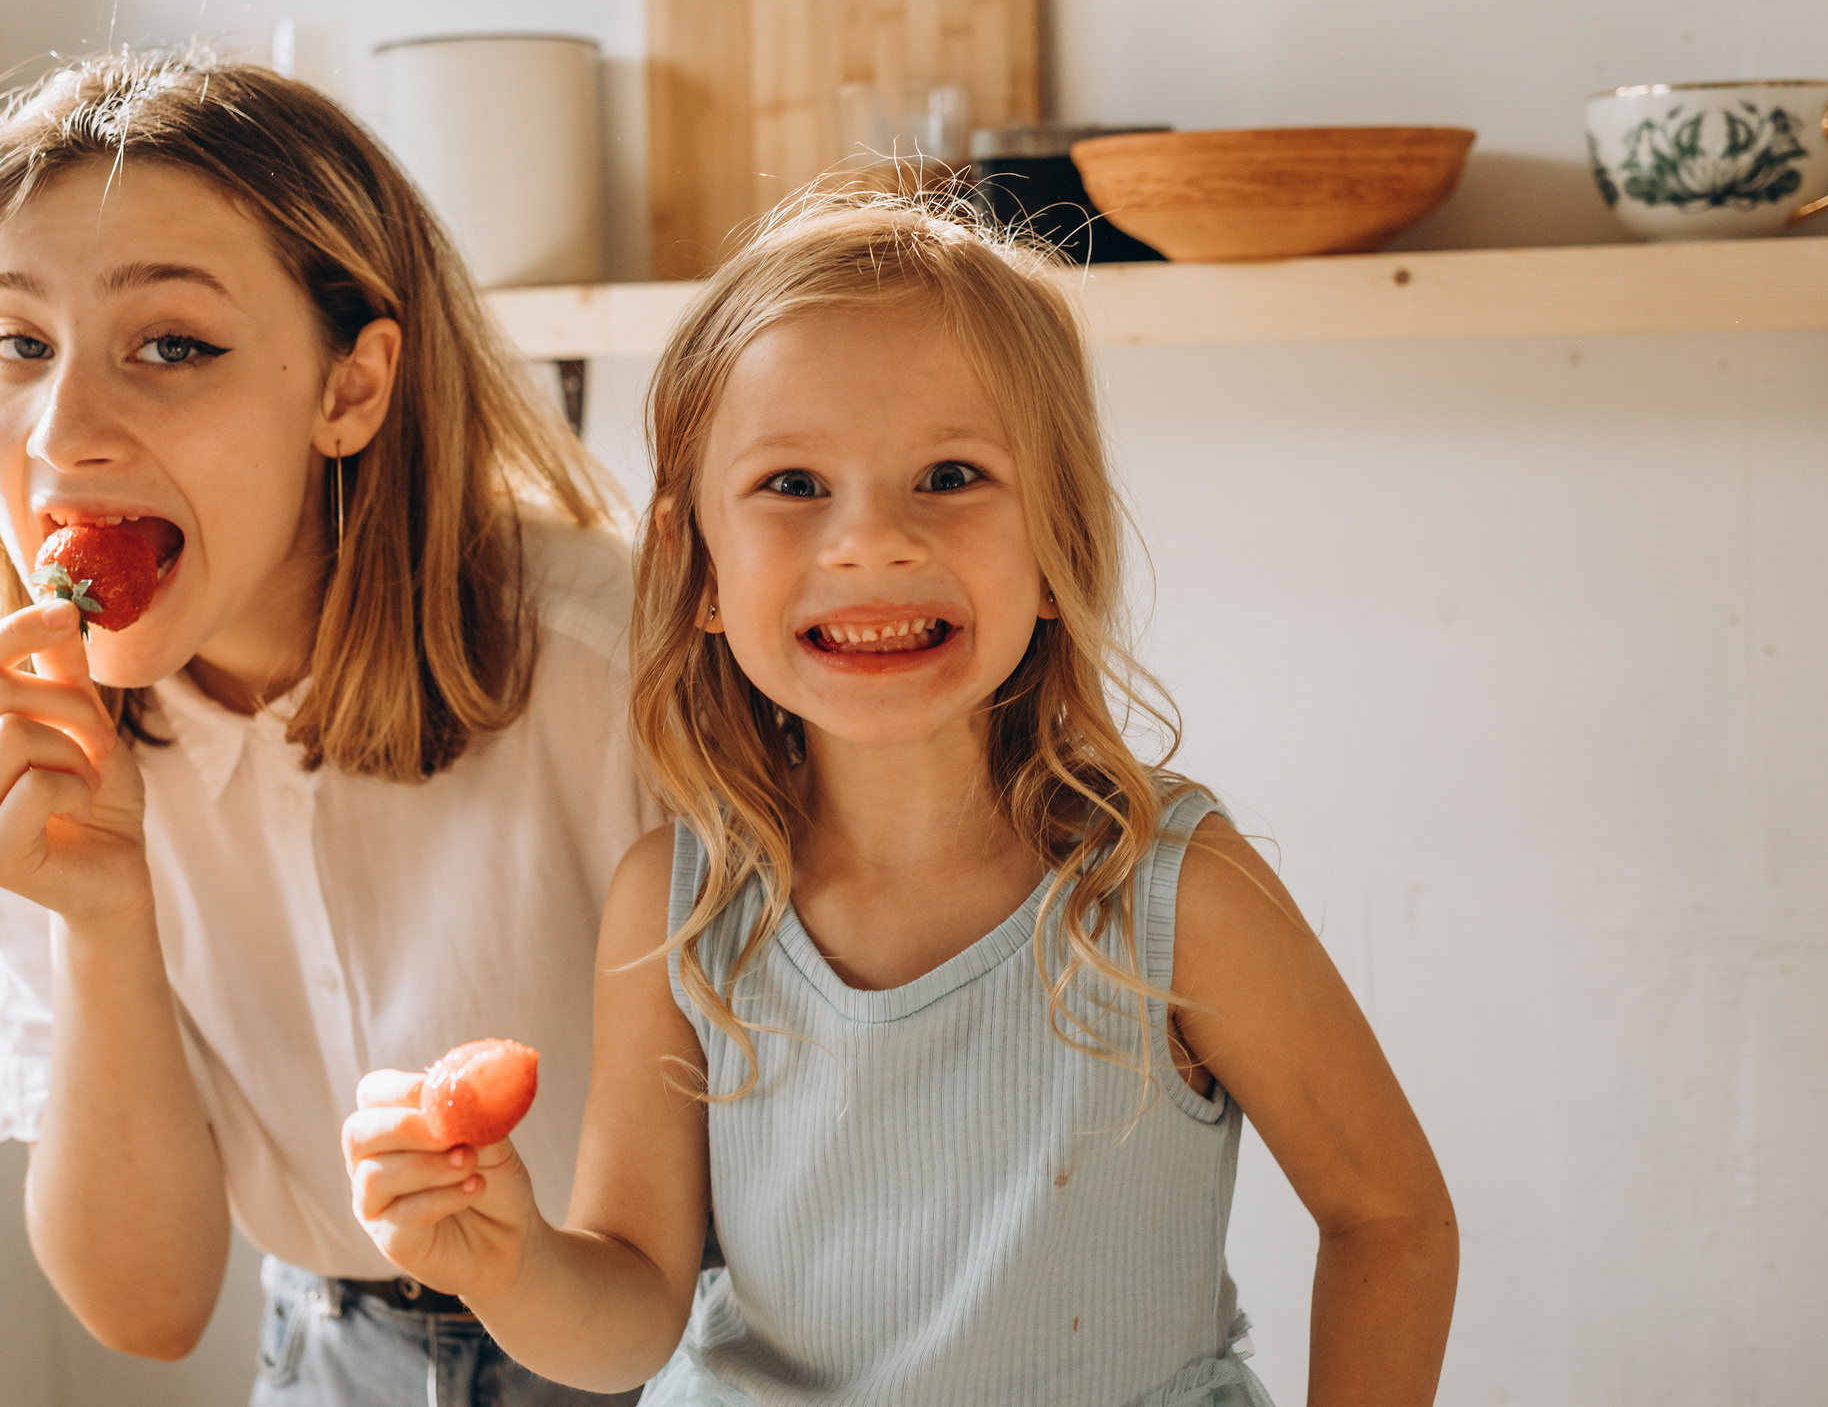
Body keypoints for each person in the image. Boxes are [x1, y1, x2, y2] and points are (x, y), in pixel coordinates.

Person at [341, 193, 1459, 1406]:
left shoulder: (1171, 892)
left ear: (1059, 544)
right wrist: (506, 1265)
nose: (870, 540)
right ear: (693, 566)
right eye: (791, 485)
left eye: (949, 474)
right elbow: (627, 1320)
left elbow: (1390, 1220)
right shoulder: (671, 907)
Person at [0, 51, 655, 1406]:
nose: (65, 431)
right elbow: (146, 1308)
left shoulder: (617, 667)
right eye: (19, 344)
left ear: (351, 387)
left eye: (172, 344)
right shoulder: (28, 743)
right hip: (327, 1355)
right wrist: (100, 919)